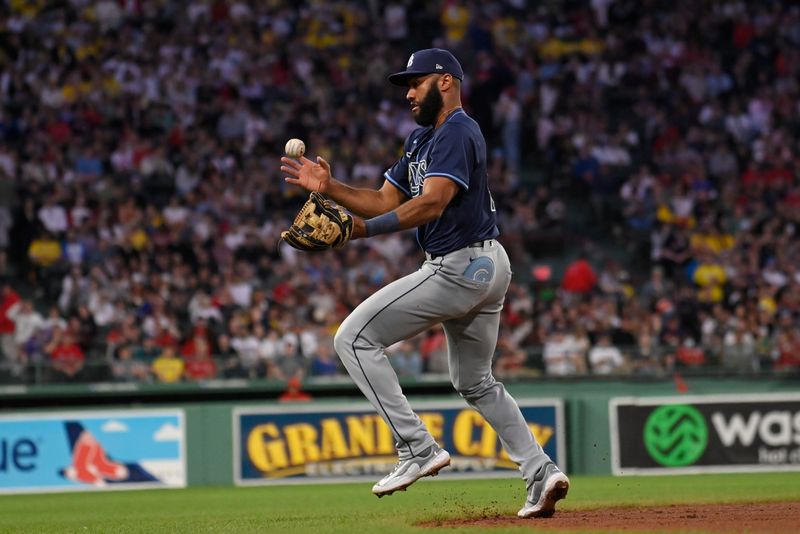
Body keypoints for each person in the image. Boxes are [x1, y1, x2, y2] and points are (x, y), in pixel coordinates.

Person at [280, 48, 568, 518]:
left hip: (458, 265)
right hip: (487, 265)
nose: (409, 93)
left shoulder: (457, 129)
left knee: (353, 338)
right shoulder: (420, 140)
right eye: (406, 86)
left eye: (417, 82)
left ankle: (416, 448)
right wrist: (329, 188)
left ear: (447, 83)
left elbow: (431, 204)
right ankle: (540, 472)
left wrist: (358, 231)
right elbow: (380, 198)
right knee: (475, 381)